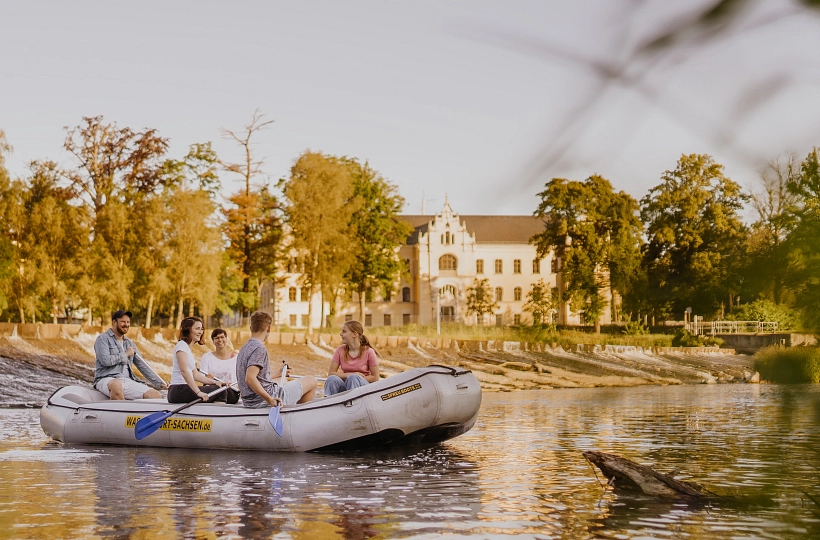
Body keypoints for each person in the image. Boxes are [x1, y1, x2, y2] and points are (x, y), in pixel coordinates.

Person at [236, 311, 317, 408]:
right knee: (312, 381)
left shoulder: (244, 348)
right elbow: (250, 378)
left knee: (280, 379)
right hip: (263, 400)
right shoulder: (259, 348)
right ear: (268, 328)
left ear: (251, 328)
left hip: (249, 401)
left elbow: (257, 377)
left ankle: (290, 406)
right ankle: (296, 414)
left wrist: (279, 372)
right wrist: (270, 400)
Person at [93, 309, 168, 400]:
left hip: (127, 380)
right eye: (123, 322)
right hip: (106, 379)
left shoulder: (129, 343)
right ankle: (119, 413)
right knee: (116, 385)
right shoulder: (103, 339)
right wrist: (125, 354)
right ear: (114, 322)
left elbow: (143, 365)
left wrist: (160, 383)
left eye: (128, 322)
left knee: (155, 395)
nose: (126, 324)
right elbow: (105, 361)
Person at [167, 316, 239, 404]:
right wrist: (198, 392)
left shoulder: (187, 349)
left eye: (201, 329)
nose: (200, 332)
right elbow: (184, 371)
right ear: (188, 329)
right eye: (197, 329)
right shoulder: (181, 346)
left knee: (221, 389)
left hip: (184, 388)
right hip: (178, 390)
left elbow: (196, 376)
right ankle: (215, 416)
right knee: (220, 391)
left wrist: (215, 382)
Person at [324, 320, 380, 396]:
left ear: (354, 334)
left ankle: (352, 404)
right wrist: (350, 375)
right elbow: (331, 373)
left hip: (363, 389)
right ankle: (329, 404)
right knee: (332, 379)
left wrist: (356, 378)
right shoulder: (340, 350)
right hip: (346, 385)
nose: (341, 334)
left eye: (344, 331)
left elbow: (375, 377)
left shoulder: (369, 352)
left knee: (353, 378)